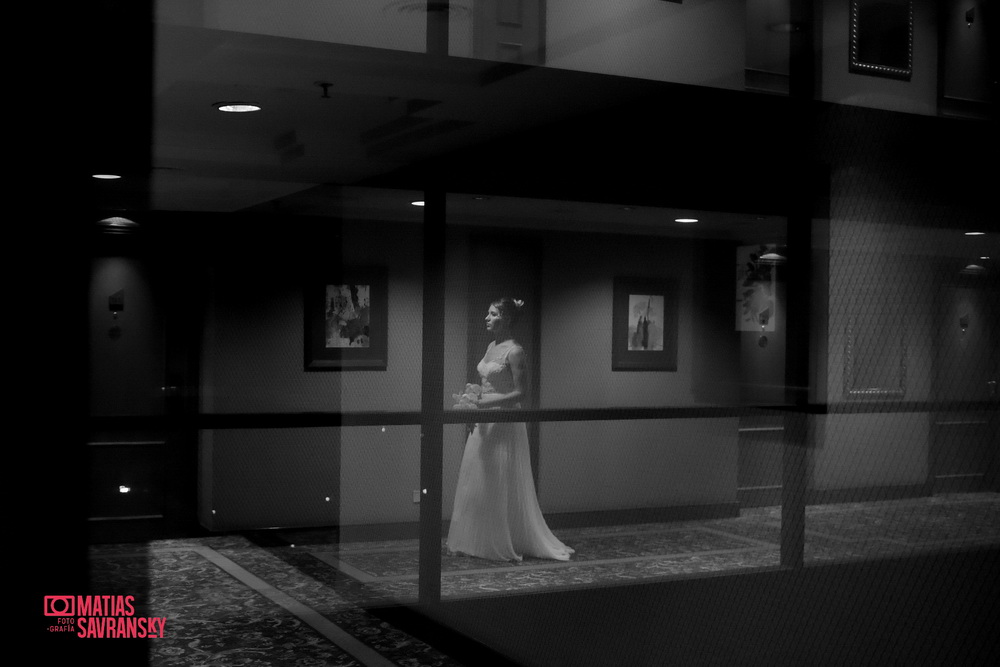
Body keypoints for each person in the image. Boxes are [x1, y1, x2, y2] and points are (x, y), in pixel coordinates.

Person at [447, 297, 574, 562]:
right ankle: (476, 539)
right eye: (487, 313)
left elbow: (520, 392)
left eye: (493, 314)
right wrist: (472, 406)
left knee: (498, 479)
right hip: (483, 419)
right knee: (478, 479)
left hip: (504, 421)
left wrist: (484, 403)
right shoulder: (491, 346)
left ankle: (501, 539)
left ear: (506, 318)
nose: (487, 318)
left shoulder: (515, 351)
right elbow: (485, 381)